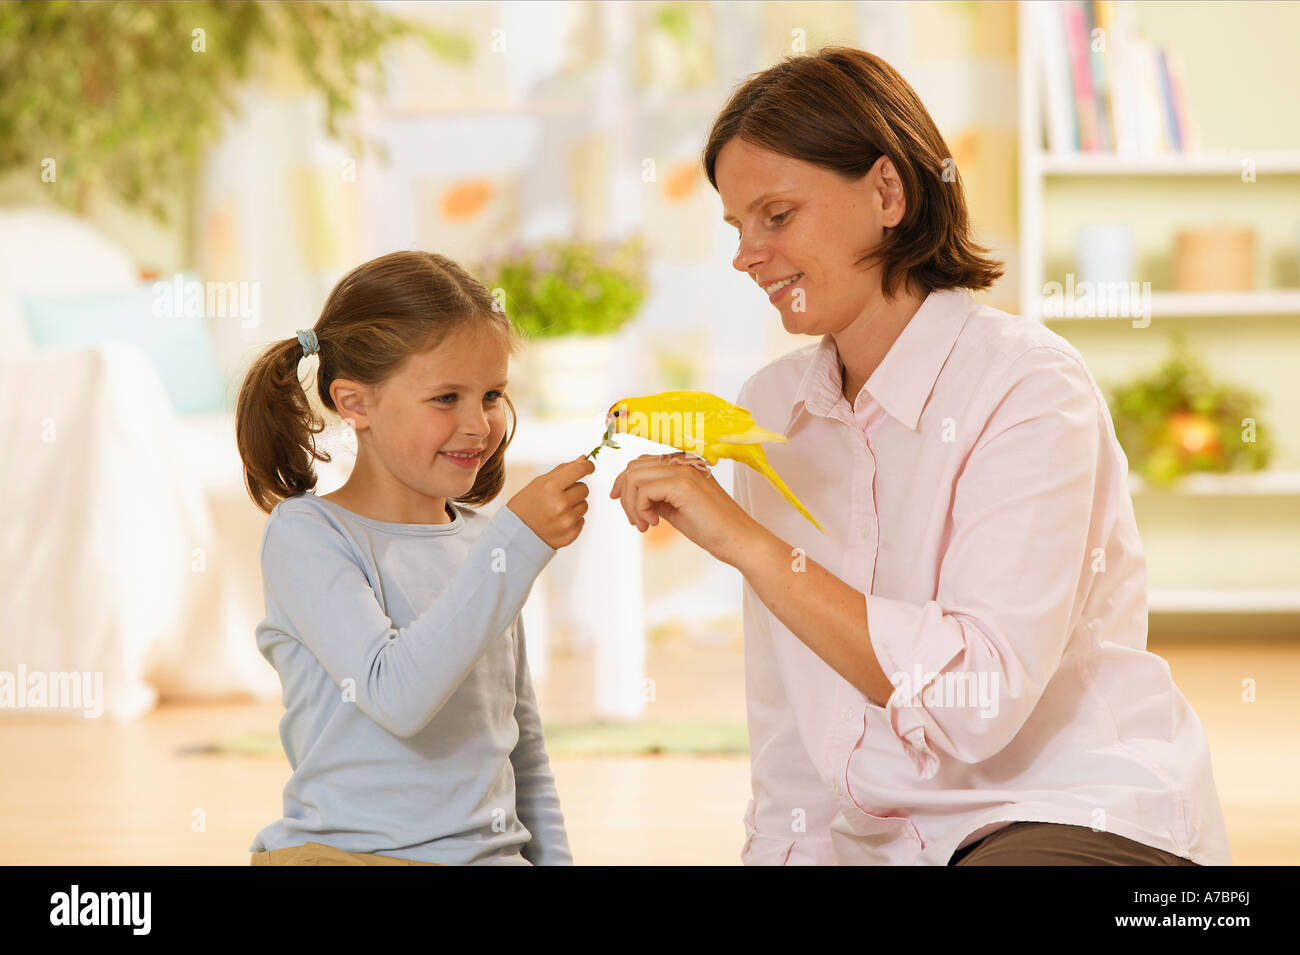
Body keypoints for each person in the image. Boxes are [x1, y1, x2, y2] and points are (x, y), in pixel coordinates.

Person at [610, 47, 1232, 866]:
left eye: (777, 215)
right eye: (736, 226)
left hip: (1058, 808)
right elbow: (793, 728)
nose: (745, 254)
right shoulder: (770, 411)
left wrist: (749, 545)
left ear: (888, 193)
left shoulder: (1029, 387)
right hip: (877, 841)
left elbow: (981, 700)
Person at [235, 250, 591, 865]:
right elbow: (394, 696)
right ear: (355, 404)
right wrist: (517, 544)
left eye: (491, 394)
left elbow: (520, 741)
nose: (479, 423)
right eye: (446, 397)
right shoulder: (309, 535)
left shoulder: (484, 544)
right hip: (346, 856)